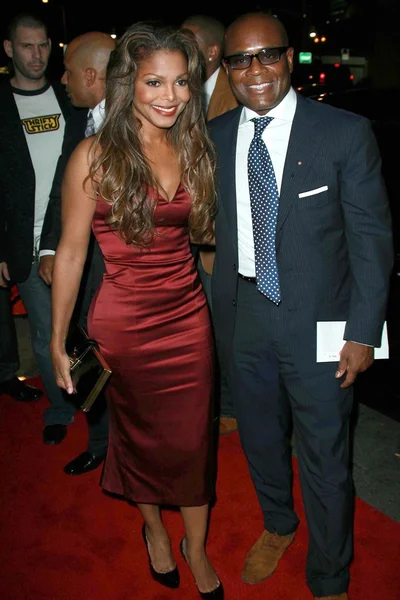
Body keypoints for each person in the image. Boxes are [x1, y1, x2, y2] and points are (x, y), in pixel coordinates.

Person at [209, 11, 393, 600]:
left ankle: (330, 574)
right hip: (244, 318)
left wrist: (364, 332)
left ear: (289, 58)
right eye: (241, 59)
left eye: (267, 55)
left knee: (325, 456)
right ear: (227, 68)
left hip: (323, 325)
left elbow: (371, 243)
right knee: (260, 440)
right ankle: (278, 523)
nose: (255, 69)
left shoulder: (343, 132)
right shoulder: (213, 138)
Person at [50, 21, 223, 599]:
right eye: (155, 81)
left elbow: (205, 237)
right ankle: (152, 527)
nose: (170, 96)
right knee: (141, 435)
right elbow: (72, 252)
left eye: (181, 82)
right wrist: (57, 339)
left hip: (187, 318)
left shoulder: (193, 143)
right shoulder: (93, 155)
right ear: (129, 83)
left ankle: (195, 546)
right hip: (123, 322)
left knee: (194, 437)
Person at [41, 31, 116, 475]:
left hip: (125, 278)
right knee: (86, 358)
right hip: (80, 269)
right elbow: (61, 191)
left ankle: (123, 447)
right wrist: (52, 246)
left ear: (91, 74)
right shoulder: (77, 119)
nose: (63, 81)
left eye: (68, 71)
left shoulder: (142, 123)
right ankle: (102, 442)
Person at [0, 11, 76, 443]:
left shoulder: (70, 100)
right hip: (27, 247)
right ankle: (60, 408)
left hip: (76, 236)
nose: (37, 54)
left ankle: (97, 402)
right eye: (27, 46)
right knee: (49, 333)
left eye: (44, 44)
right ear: (9, 49)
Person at [181, 14, 239, 436]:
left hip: (223, 241)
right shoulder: (181, 91)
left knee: (227, 333)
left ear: (212, 52)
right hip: (186, 237)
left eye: (188, 43)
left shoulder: (237, 94)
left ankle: (234, 407)